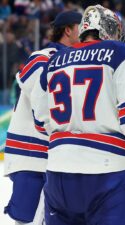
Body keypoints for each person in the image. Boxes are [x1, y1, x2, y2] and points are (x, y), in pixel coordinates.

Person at [31, 5, 125, 225]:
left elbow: (40, 121)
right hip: (110, 177)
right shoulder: (122, 53)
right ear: (110, 30)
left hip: (58, 177)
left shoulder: (54, 62)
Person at [3, 10, 82, 225]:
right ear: (68, 30)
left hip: (55, 155)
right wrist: (62, 138)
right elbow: (42, 107)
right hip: (33, 154)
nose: (86, 31)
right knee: (28, 220)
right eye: (81, 26)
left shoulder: (78, 61)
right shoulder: (42, 58)